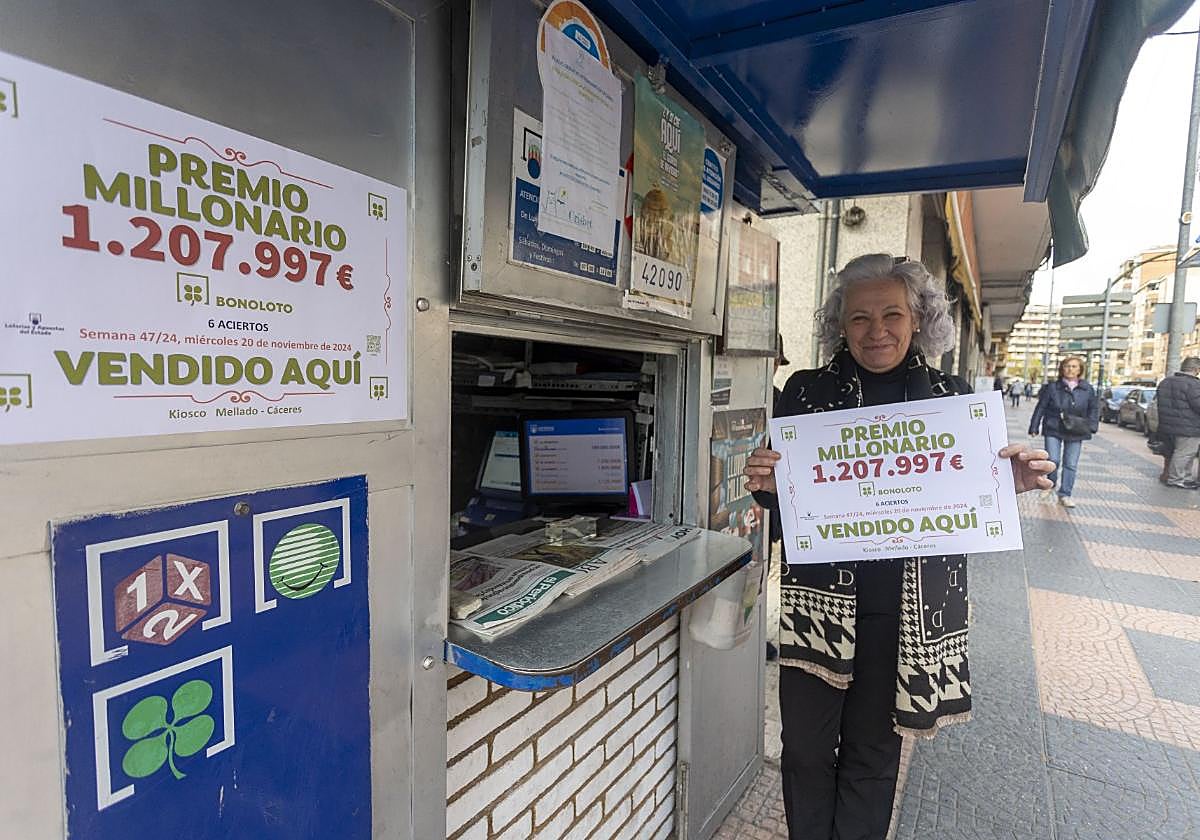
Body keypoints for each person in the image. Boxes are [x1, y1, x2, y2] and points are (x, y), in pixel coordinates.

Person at [741, 254, 1054, 840]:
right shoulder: (806, 394)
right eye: (860, 317)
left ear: (918, 320)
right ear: (840, 324)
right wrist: (765, 486)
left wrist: (1004, 483)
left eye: (892, 314)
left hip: (907, 612)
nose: (876, 330)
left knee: (872, 753)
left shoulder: (949, 396)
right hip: (820, 608)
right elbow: (788, 505)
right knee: (804, 750)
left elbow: (965, 500)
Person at [1027, 356, 1100, 509]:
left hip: (1076, 429)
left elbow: (1094, 408)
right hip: (1053, 427)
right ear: (1062, 369)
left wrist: (1092, 425)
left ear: (1080, 370)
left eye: (1074, 366)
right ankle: (1050, 485)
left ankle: (1065, 494)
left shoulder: (1087, 389)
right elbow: (1041, 407)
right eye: (1067, 366)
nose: (1070, 369)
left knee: (1071, 464)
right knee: (1053, 459)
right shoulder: (1053, 387)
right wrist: (1034, 426)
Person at [1155, 356, 1200, 489]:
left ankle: (1184, 477)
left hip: (1166, 426)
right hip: (1188, 427)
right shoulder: (1194, 384)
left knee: (1176, 452)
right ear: (1196, 369)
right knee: (1185, 453)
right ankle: (1177, 479)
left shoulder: (1165, 382)